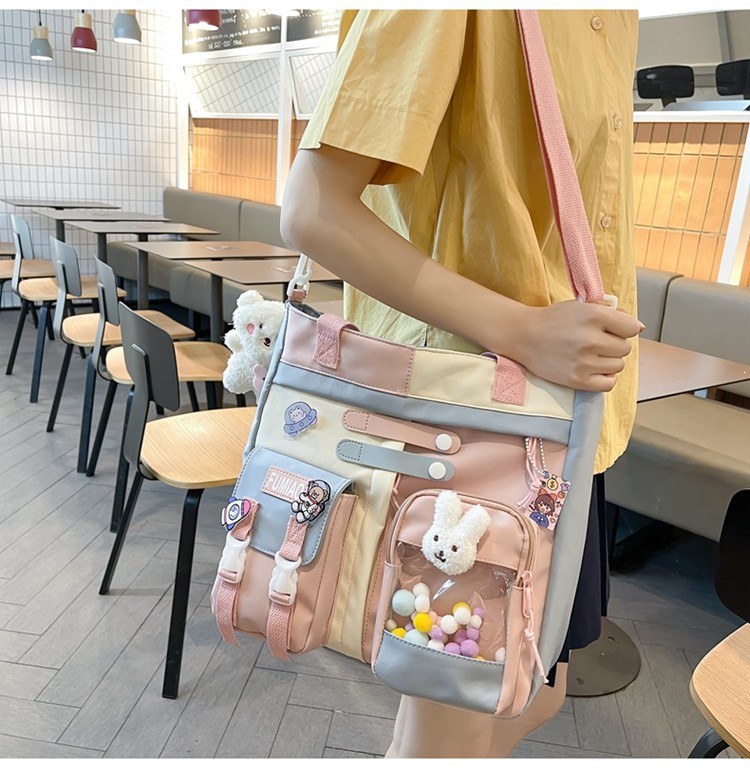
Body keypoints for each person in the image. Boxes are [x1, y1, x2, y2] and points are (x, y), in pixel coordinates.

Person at [280, 9, 642, 758]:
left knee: (531, 698)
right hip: (468, 440)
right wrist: (522, 330)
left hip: (564, 431)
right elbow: (312, 207)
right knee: (451, 732)